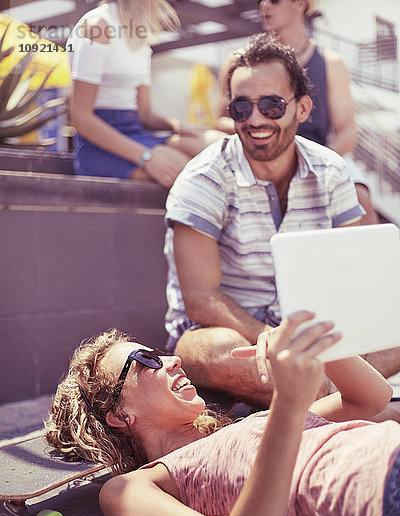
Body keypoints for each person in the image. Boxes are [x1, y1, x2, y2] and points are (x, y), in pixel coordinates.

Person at [45, 311, 400, 516]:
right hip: (381, 492)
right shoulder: (132, 489)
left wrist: (312, 340)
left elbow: (371, 397)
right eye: (146, 361)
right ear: (120, 415)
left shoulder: (254, 424)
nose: (172, 360)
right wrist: (289, 402)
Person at [163, 33, 368, 408]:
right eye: (242, 108)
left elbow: (346, 276)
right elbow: (201, 301)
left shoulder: (333, 171)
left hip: (308, 331)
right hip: (228, 333)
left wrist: (319, 343)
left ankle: (325, 397)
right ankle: (357, 400)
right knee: (218, 350)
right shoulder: (203, 178)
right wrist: (277, 340)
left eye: (272, 105)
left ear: (302, 108)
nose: (255, 119)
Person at [215, 0, 379, 225]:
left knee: (361, 201)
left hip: (319, 152)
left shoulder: (331, 62)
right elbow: (219, 120)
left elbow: (347, 131)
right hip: (258, 150)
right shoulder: (239, 62)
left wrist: (315, 164)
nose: (264, 5)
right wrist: (257, 128)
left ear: (300, 3)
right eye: (260, 0)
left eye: (274, 0)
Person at [67, 0, 224, 187]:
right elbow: (79, 117)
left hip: (135, 131)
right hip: (101, 143)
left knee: (222, 146)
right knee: (190, 172)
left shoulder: (139, 33)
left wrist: (176, 125)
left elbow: (145, 115)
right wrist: (146, 158)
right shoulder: (98, 24)